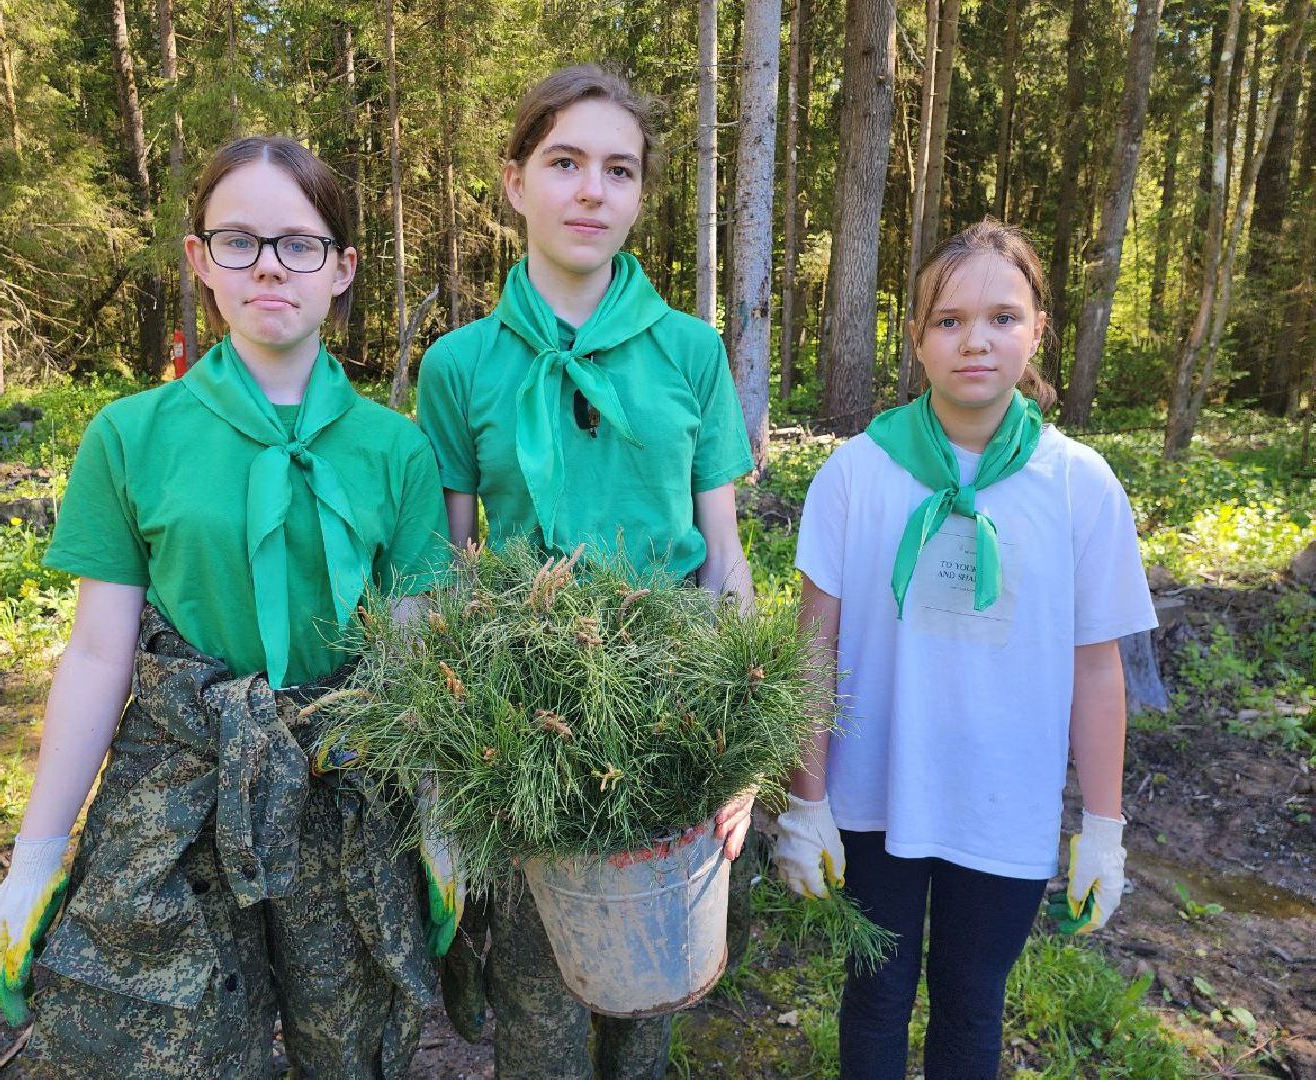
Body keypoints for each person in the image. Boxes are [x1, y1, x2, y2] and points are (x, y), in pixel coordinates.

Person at [0, 135, 451, 1079]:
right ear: (200, 259)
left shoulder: (396, 451)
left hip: (344, 785)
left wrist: (438, 812)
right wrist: (38, 851)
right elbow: (97, 654)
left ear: (342, 269)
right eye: (238, 240)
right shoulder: (130, 436)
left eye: (299, 243)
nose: (270, 264)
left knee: (352, 1047)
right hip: (183, 791)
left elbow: (411, 651)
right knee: (179, 1048)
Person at [415, 65, 758, 1079]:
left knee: (648, 1003)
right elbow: (447, 571)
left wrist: (740, 748)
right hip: (527, 726)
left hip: (670, 713)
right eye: (565, 162)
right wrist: (455, 768)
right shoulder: (460, 365)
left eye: (618, 169)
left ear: (642, 193)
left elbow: (725, 555)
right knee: (539, 1009)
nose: (591, 191)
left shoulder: (691, 354)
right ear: (517, 181)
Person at [773, 218, 1156, 1079]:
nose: (974, 341)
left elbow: (1097, 671)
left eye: (1002, 317)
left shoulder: (1081, 486)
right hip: (873, 798)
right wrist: (806, 800)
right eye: (948, 321)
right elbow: (813, 650)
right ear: (916, 339)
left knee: (972, 1004)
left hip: (1002, 801)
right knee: (874, 995)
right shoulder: (856, 476)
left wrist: (1103, 829)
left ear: (1037, 332)